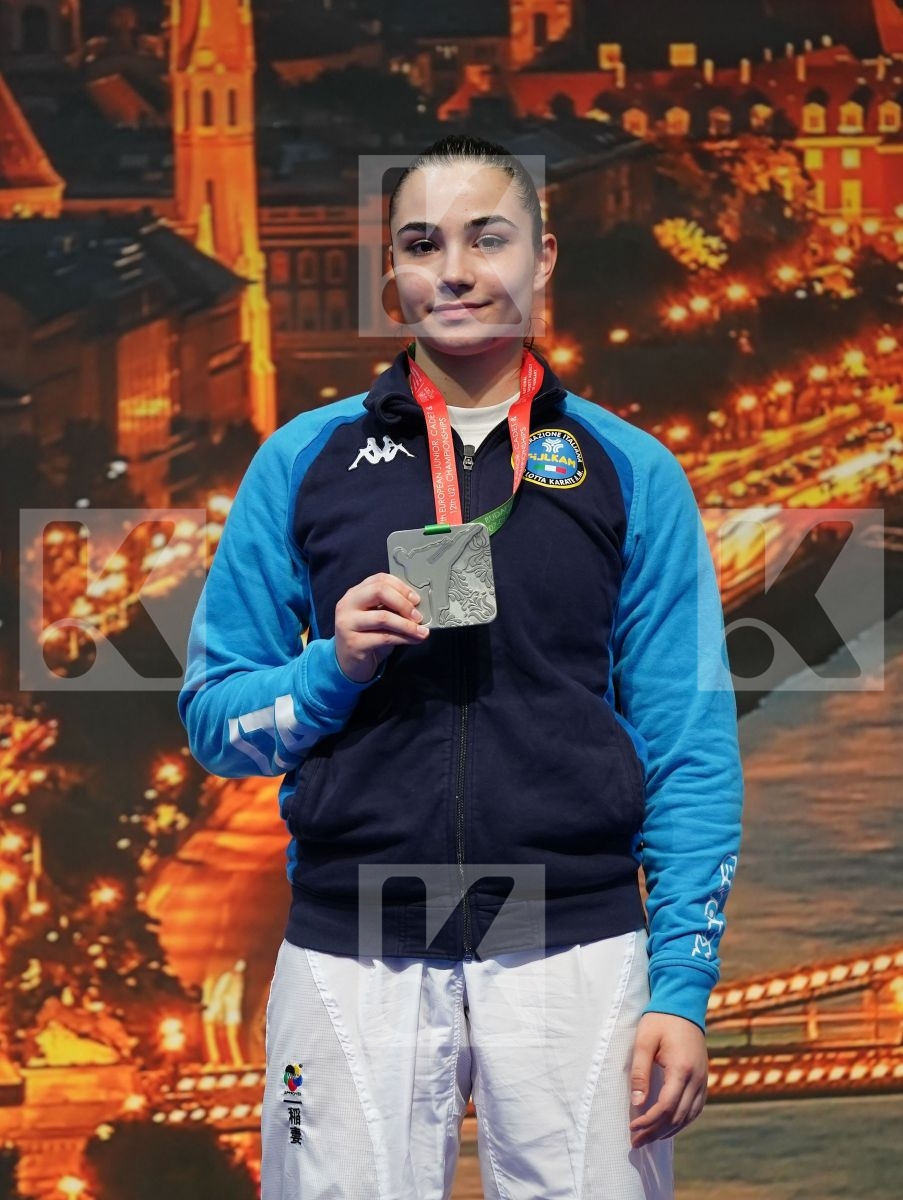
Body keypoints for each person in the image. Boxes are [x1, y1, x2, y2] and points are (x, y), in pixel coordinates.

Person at [177, 133, 744, 1199]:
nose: (457, 269)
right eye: (422, 244)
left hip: (573, 945)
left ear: (543, 257)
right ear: (390, 277)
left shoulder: (632, 473)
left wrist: (681, 989)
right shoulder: (301, 463)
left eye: (490, 238)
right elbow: (214, 720)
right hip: (350, 954)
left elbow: (689, 752)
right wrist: (326, 668)